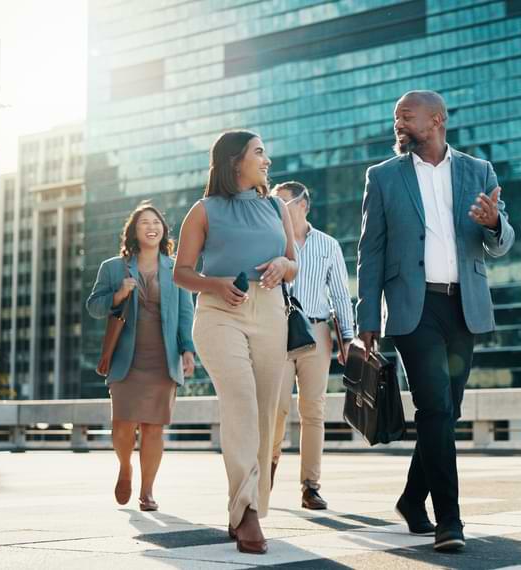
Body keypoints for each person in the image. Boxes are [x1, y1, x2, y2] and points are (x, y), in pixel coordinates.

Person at [356, 90, 515, 552]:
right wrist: (368, 316)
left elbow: (500, 243)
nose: (398, 123)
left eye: (406, 115)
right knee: (435, 409)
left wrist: (492, 223)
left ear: (437, 119)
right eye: (396, 118)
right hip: (413, 307)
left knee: (448, 411)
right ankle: (450, 520)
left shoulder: (477, 171)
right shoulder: (383, 177)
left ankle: (411, 499)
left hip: (463, 306)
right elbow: (371, 252)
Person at [173, 131, 298, 555]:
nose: (267, 159)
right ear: (234, 161)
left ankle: (249, 505)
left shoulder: (275, 206)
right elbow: (181, 272)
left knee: (265, 412)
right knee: (241, 400)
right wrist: (214, 283)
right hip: (219, 313)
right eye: (259, 151)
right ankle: (244, 513)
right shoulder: (203, 210)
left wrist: (283, 263)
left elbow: (294, 264)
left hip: (271, 313)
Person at [85, 201, 197, 512]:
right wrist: (118, 295)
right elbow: (93, 307)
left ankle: (147, 491)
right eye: (144, 222)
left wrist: (187, 349)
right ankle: (125, 467)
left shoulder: (176, 268)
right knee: (122, 424)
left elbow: (186, 313)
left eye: (156, 222)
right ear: (134, 231)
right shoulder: (113, 268)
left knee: (154, 427)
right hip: (126, 359)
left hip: (163, 359)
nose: (151, 226)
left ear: (163, 230)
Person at [269, 181, 355, 511]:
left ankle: (310, 486)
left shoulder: (328, 245)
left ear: (303, 204)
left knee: (313, 410)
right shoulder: (271, 241)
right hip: (278, 331)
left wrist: (348, 338)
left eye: (283, 203)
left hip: (317, 332)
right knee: (276, 408)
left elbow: (340, 295)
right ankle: (270, 467)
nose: (277, 209)